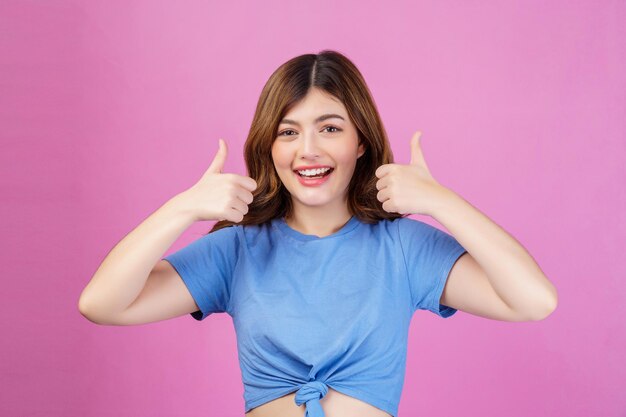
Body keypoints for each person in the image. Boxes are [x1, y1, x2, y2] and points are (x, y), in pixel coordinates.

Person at [78, 50, 558, 417]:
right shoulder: (237, 250)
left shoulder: (404, 248)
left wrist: (441, 201)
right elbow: (102, 305)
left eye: (329, 128)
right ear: (270, 146)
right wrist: (180, 209)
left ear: (360, 141)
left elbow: (533, 301)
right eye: (288, 132)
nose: (307, 150)